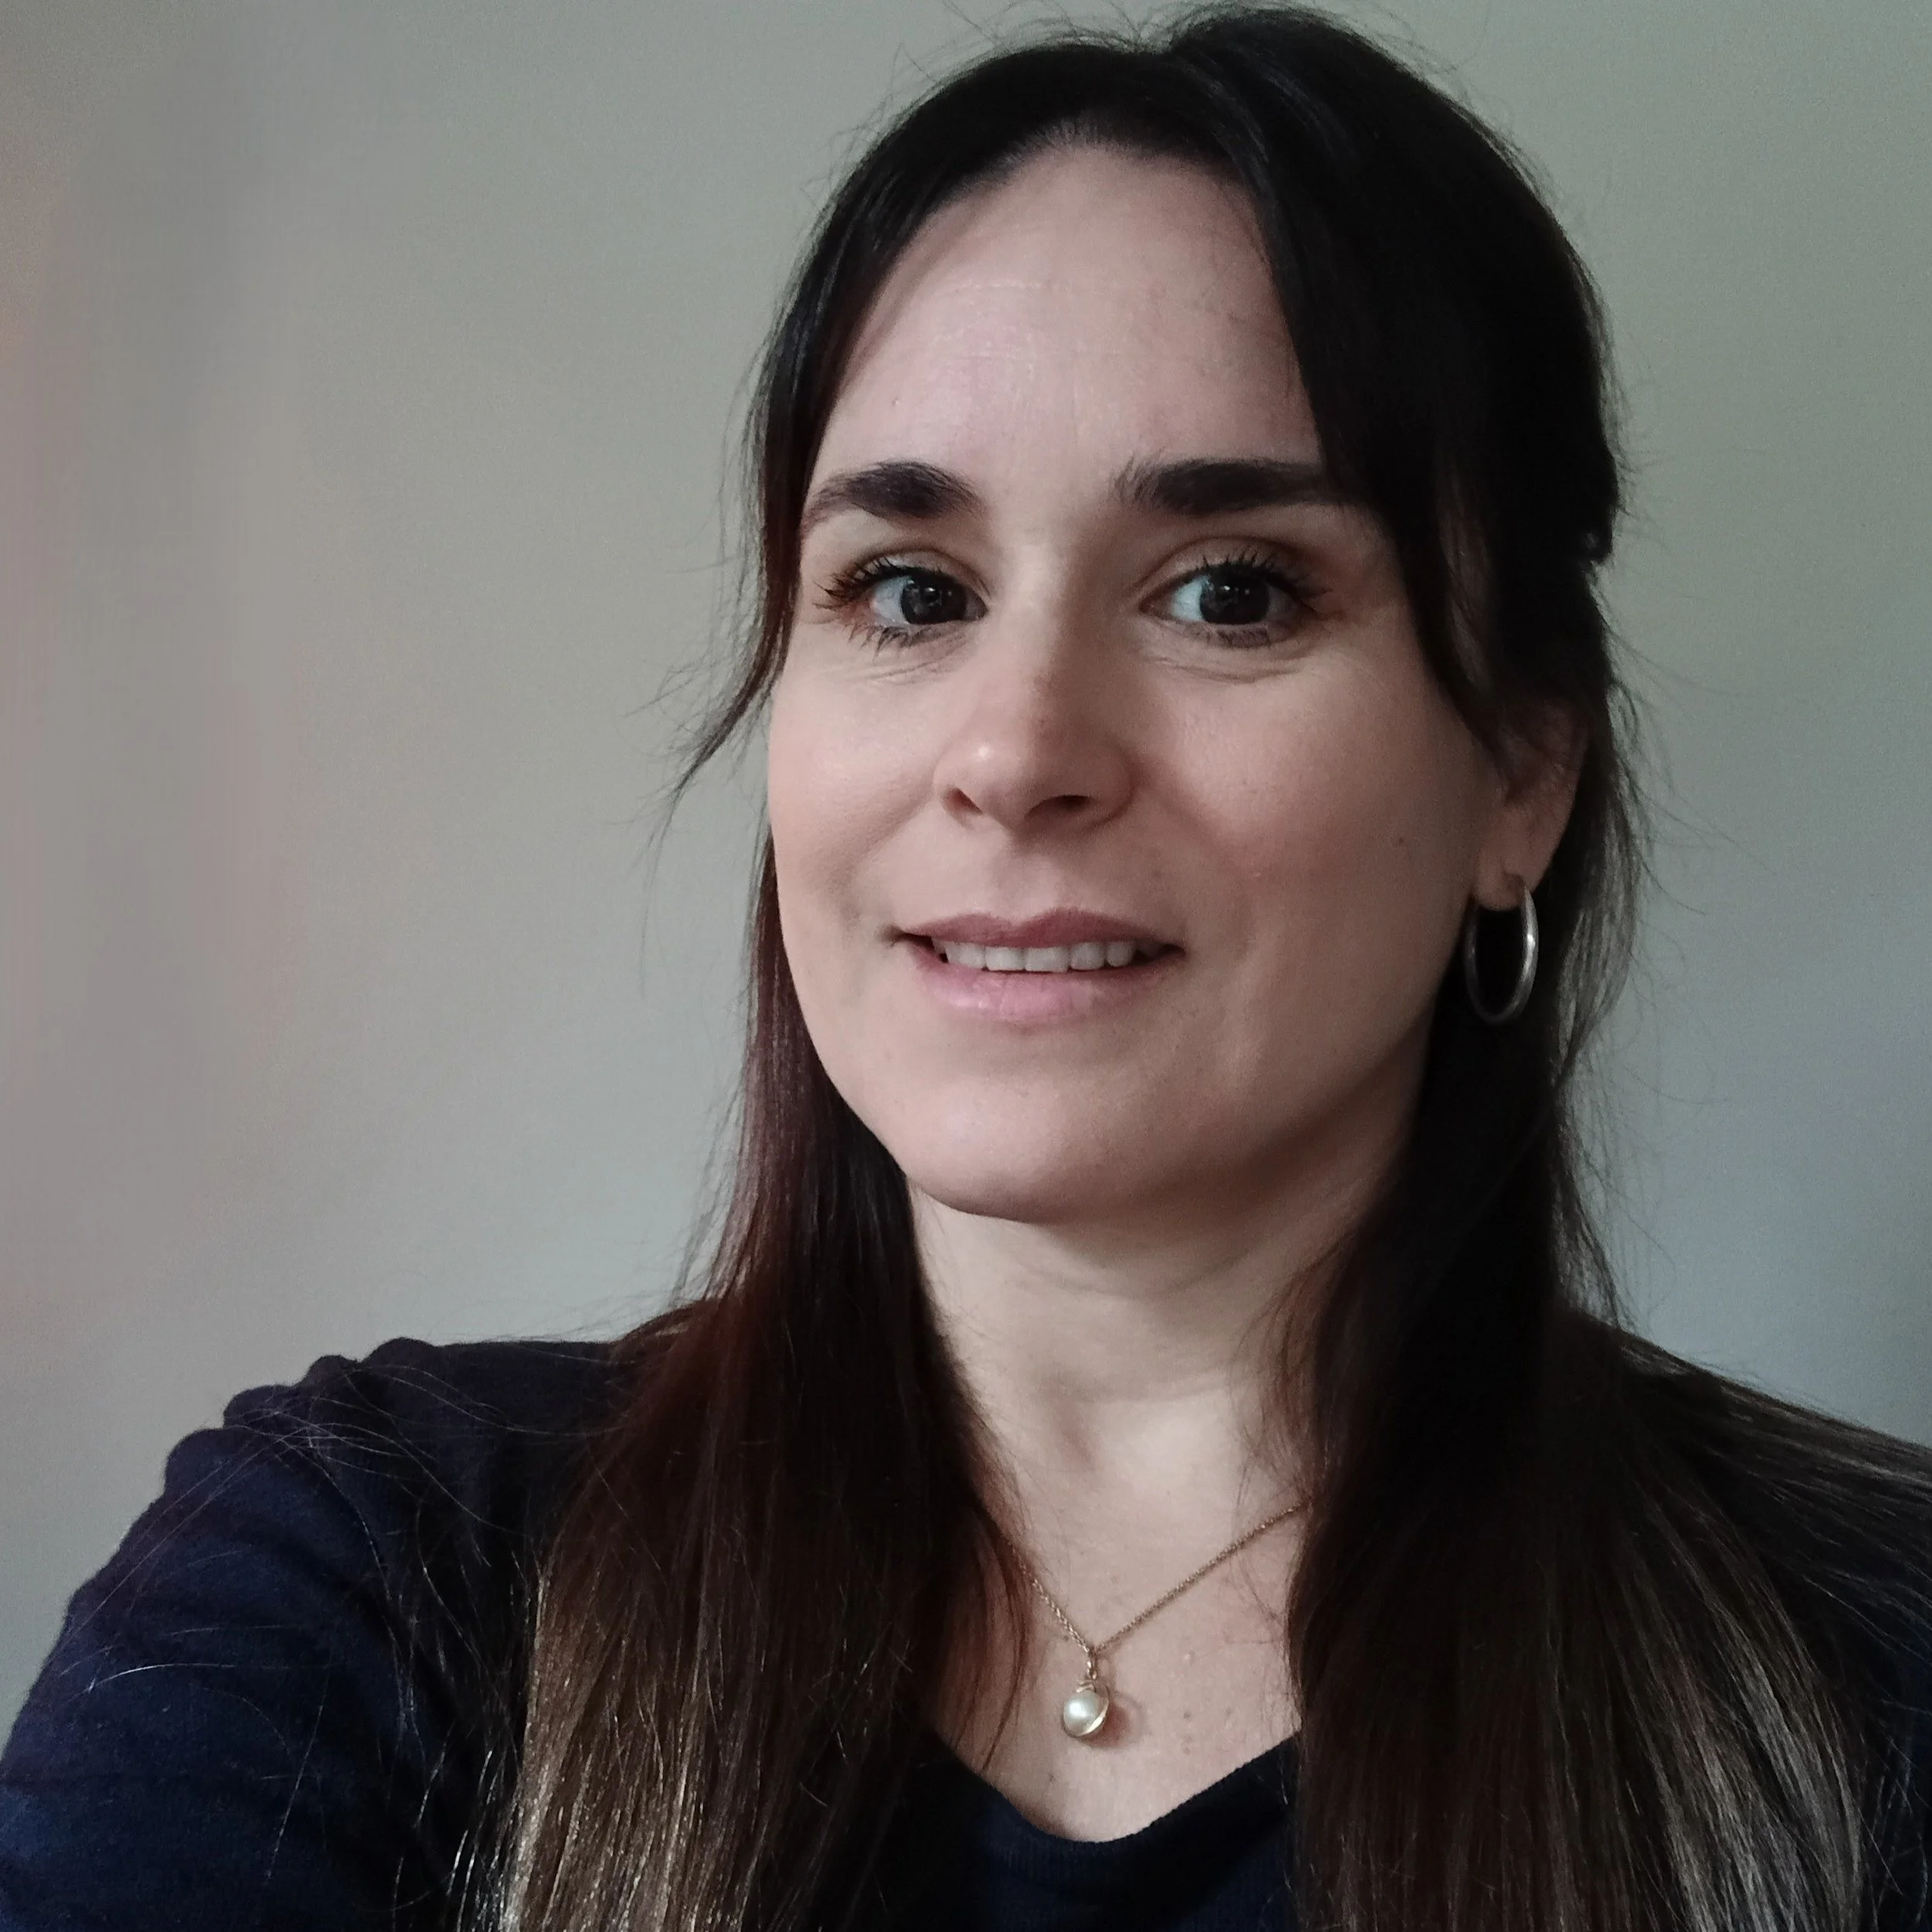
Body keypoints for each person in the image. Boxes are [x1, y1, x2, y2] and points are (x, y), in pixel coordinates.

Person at [4, 9, 1930, 1930]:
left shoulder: (1874, 1676)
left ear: (1519, 769)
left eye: (1229, 588)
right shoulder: (365, 1582)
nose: (1012, 753)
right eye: (908, 591)